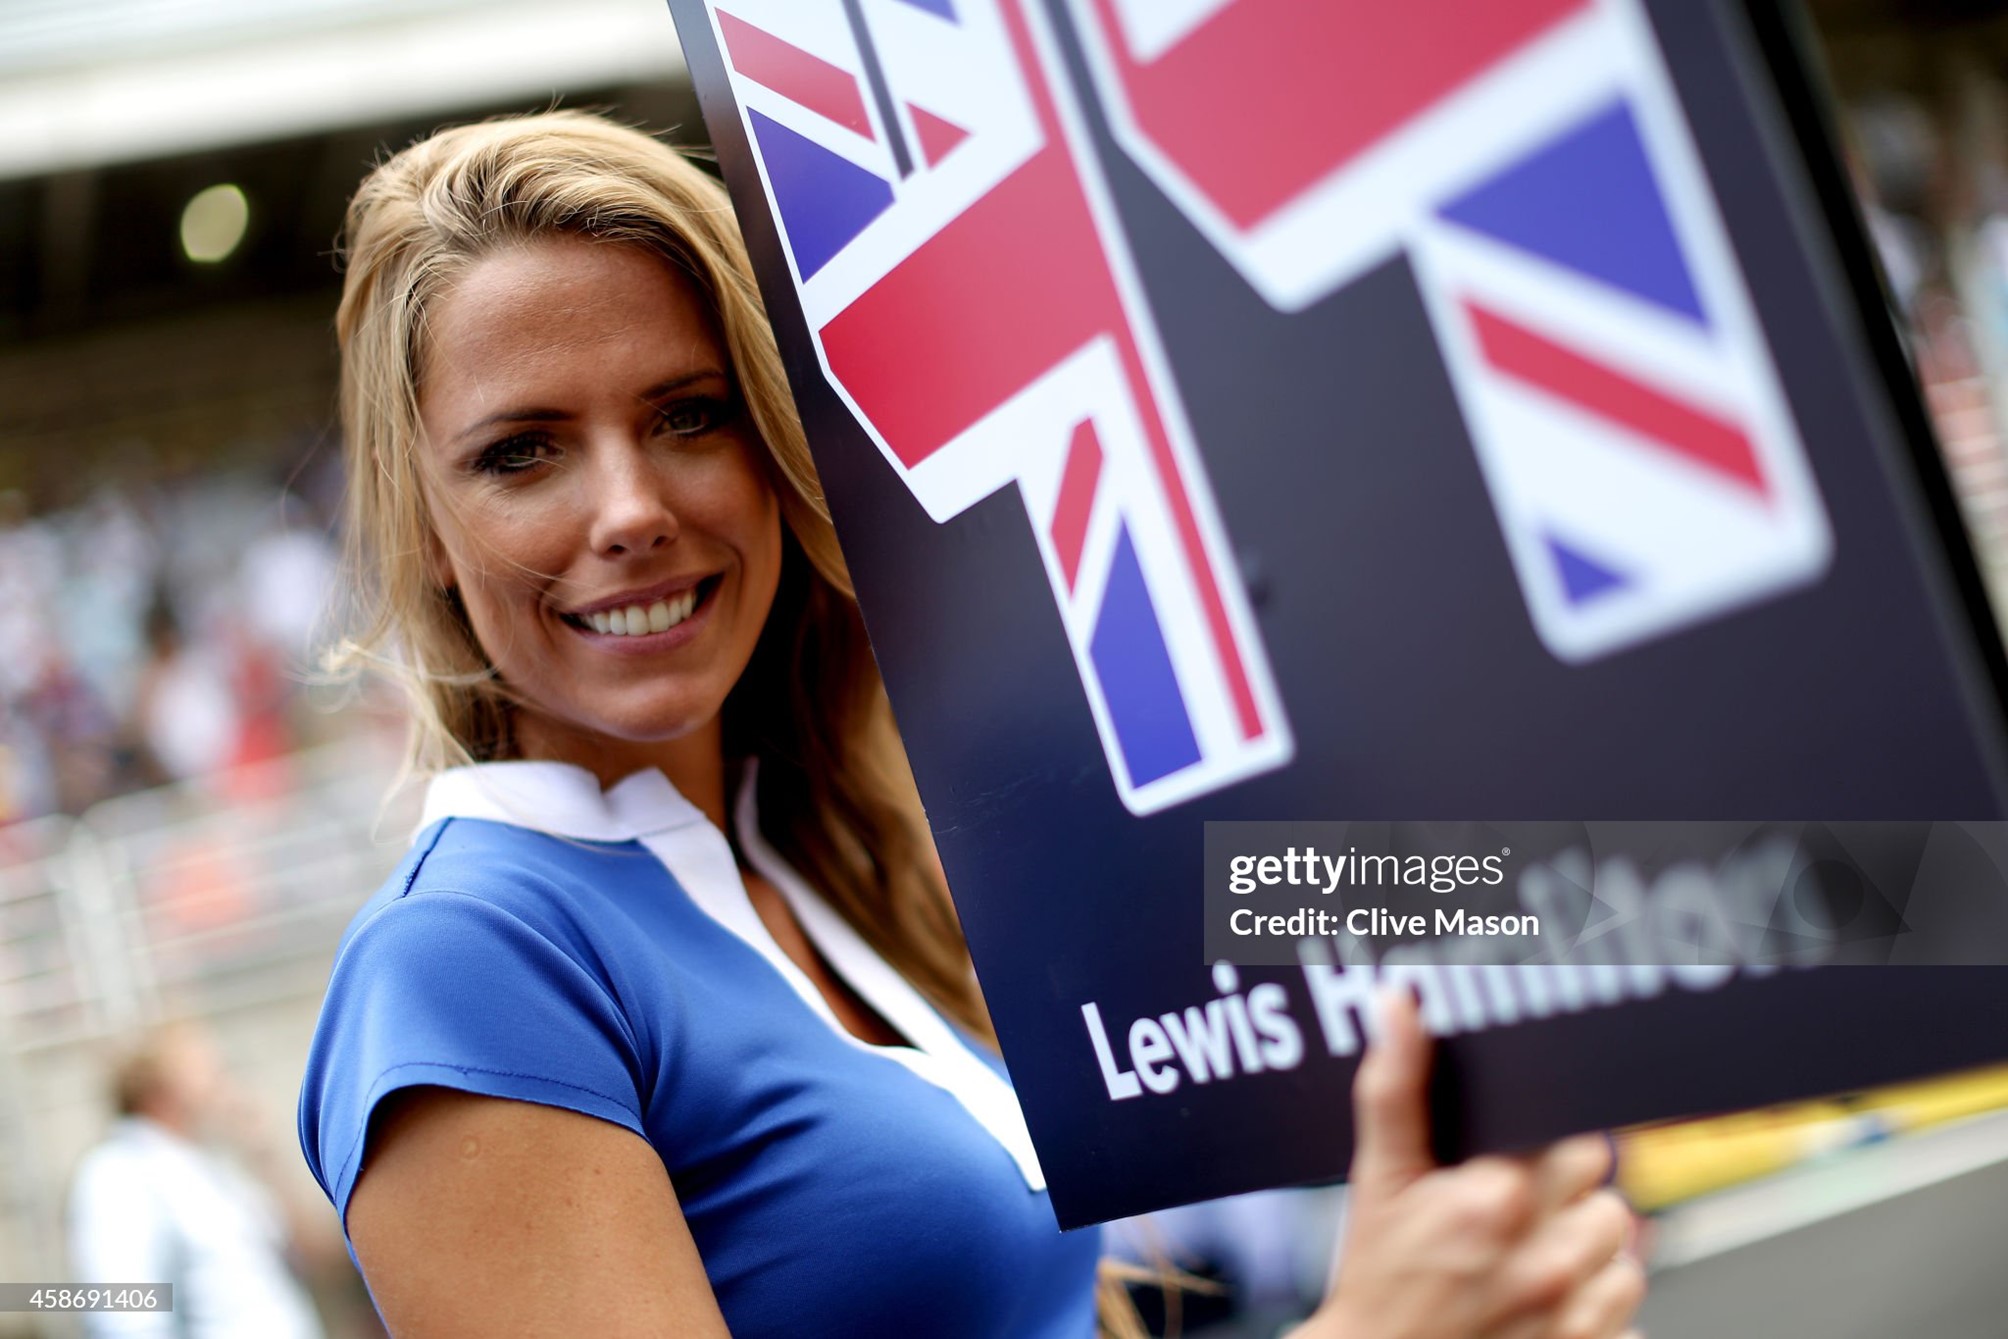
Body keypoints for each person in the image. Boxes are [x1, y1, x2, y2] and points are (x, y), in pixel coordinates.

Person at [296, 111, 1644, 1339]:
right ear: (421, 526)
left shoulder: (816, 855)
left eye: (689, 414)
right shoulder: (465, 961)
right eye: (521, 449)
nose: (631, 505)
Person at [72, 1024, 326, 1339]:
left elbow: (314, 1257)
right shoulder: (118, 1172)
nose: (223, 1083)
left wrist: (265, 1155)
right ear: (159, 1089)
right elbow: (125, 1314)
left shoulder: (212, 1168)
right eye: (206, 1070)